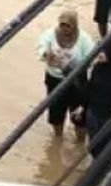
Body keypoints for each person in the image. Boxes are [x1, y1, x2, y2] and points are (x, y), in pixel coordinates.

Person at [37, 9, 96, 137]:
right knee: (56, 113)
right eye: (62, 25)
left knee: (79, 117)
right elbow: (41, 48)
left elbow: (91, 58)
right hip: (55, 80)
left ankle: (79, 142)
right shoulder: (50, 35)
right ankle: (58, 140)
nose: (64, 29)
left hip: (77, 81)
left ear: (74, 25)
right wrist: (47, 54)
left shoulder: (84, 39)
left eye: (68, 26)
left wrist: (73, 66)